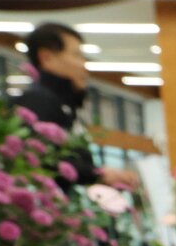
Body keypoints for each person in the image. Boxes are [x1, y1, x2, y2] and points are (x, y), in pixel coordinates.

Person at [13, 22, 136, 189]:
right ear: (46, 57)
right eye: (77, 55)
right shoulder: (37, 101)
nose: (83, 65)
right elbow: (42, 161)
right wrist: (98, 174)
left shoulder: (62, 105)